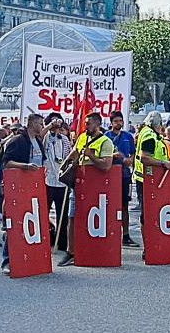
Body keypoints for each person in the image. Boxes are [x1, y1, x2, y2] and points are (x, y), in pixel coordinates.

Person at [57, 112, 114, 267]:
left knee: (91, 218)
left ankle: (92, 250)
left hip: (95, 187)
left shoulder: (106, 142)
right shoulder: (83, 137)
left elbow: (106, 165)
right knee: (72, 216)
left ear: (97, 124)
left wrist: (91, 156)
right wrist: (65, 165)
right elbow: (75, 151)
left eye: (88, 123)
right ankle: (71, 251)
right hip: (79, 184)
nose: (86, 126)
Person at [0, 113, 46, 274]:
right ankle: (7, 260)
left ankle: (31, 257)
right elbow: (6, 162)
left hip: (35, 187)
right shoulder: (18, 141)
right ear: (32, 124)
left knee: (32, 223)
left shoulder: (38, 141)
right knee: (16, 222)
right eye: (40, 123)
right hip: (19, 186)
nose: (42, 126)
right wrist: (24, 166)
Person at [133, 111, 170, 230]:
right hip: (148, 179)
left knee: (149, 212)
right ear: (159, 124)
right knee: (148, 213)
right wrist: (163, 163)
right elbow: (144, 157)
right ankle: (149, 246)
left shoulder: (147, 132)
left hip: (150, 178)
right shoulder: (150, 136)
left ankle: (150, 245)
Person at [104, 111, 138, 248]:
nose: (119, 123)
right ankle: (108, 232)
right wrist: (114, 155)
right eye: (116, 121)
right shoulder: (106, 136)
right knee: (109, 205)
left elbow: (134, 152)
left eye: (120, 120)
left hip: (125, 175)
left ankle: (126, 235)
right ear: (111, 123)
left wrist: (130, 159)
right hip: (110, 175)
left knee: (124, 205)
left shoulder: (128, 136)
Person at [43, 115, 72, 252]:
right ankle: (43, 239)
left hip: (62, 183)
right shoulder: (46, 137)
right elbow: (39, 136)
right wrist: (50, 126)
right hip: (48, 180)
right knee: (44, 212)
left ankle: (61, 243)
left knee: (63, 214)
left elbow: (69, 157)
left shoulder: (65, 139)